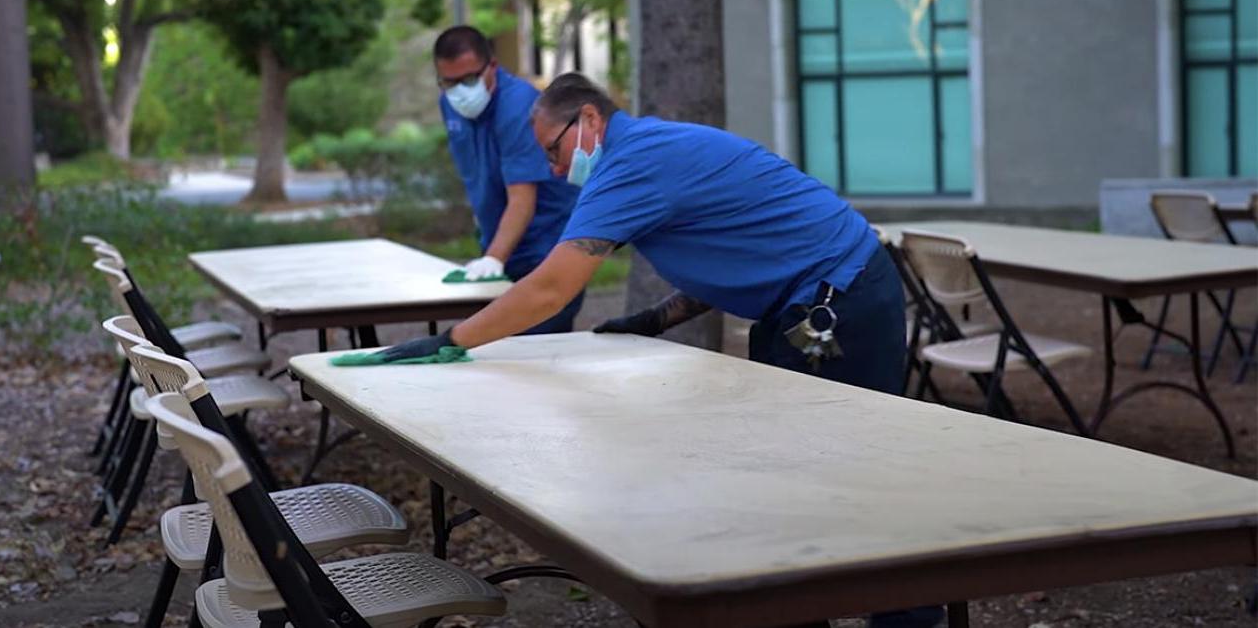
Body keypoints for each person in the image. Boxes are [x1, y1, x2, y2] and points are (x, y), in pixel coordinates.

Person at [368, 72, 940, 628]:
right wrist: (656, 318)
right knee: (785, 473)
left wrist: (452, 340)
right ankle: (799, 609)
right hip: (809, 298)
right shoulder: (651, 150)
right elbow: (730, 247)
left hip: (842, 299)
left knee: (859, 472)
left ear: (588, 118)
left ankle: (909, 615)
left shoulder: (631, 163)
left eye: (554, 151)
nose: (556, 169)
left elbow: (551, 287)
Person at [433, 26, 584, 333]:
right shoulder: (450, 104)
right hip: (503, 252)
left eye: (470, 79)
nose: (461, 91)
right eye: (449, 82)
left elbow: (522, 198)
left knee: (532, 355)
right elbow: (477, 174)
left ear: (492, 67)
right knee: (499, 359)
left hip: (549, 254)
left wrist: (493, 258)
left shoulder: (520, 107)